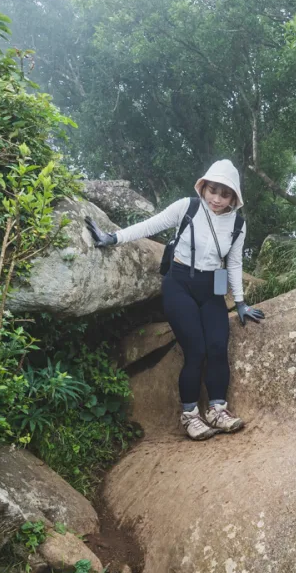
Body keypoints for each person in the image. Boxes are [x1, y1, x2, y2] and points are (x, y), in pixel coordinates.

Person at [84, 160, 264, 441]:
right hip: (179, 283)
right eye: (212, 190)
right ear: (203, 187)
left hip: (211, 288)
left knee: (217, 347)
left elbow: (235, 262)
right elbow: (150, 225)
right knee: (196, 350)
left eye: (224, 194)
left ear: (234, 197)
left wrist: (240, 303)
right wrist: (114, 238)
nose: (216, 198)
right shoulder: (188, 207)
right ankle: (191, 415)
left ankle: (218, 409)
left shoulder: (238, 225)